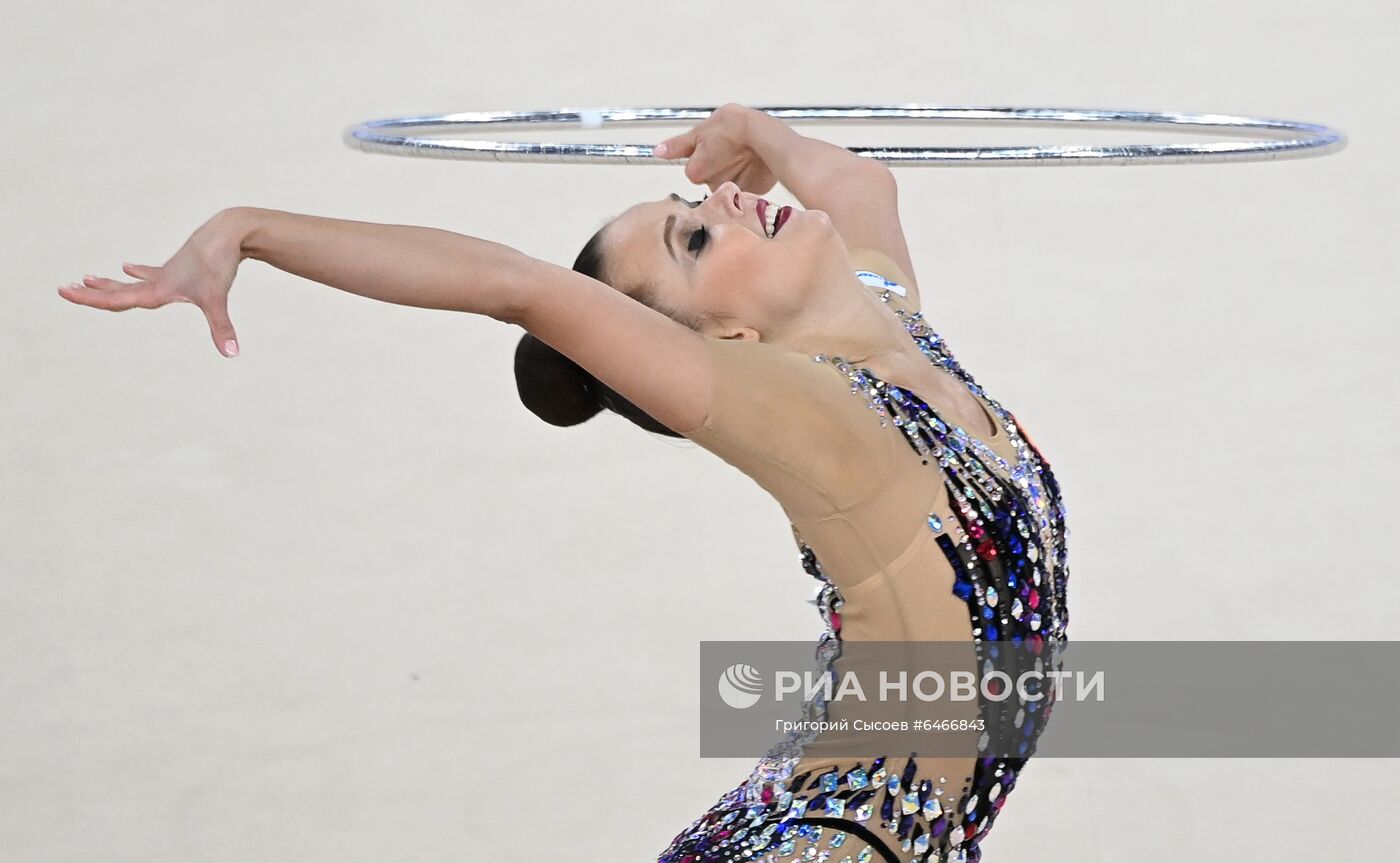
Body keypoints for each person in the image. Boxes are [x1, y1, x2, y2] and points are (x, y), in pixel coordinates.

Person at [57, 103, 1070, 863]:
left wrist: (754, 131)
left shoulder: (894, 324)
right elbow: (513, 284)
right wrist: (247, 228)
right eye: (694, 240)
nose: (722, 202)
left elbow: (857, 184)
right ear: (725, 338)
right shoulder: (811, 413)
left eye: (693, 206)